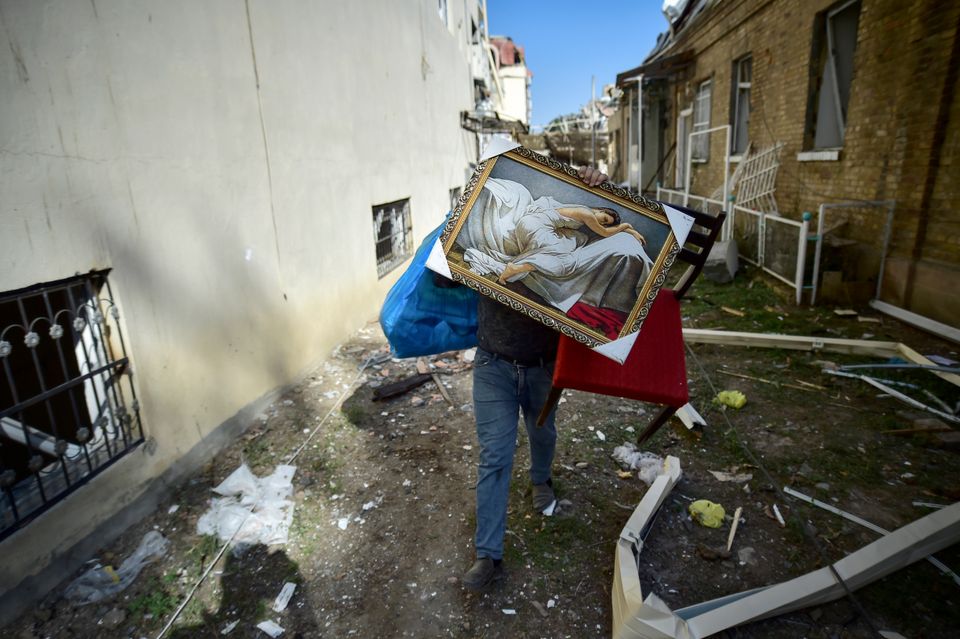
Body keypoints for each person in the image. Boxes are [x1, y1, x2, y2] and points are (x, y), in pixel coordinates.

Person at [462, 166, 608, 591]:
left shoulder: (569, 251)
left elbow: (607, 223)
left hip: (544, 364)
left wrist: (595, 189)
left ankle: (541, 480)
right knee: (495, 456)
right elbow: (448, 258)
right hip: (493, 364)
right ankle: (488, 555)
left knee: (543, 433)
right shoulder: (485, 232)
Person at [455, 177, 653, 316]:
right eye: (603, 218)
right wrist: (628, 228)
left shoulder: (581, 213)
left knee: (567, 247)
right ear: (599, 210)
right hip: (534, 226)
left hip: (532, 224)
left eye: (605, 222)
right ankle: (518, 267)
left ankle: (519, 265)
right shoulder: (587, 214)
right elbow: (605, 233)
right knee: (565, 264)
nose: (601, 222)